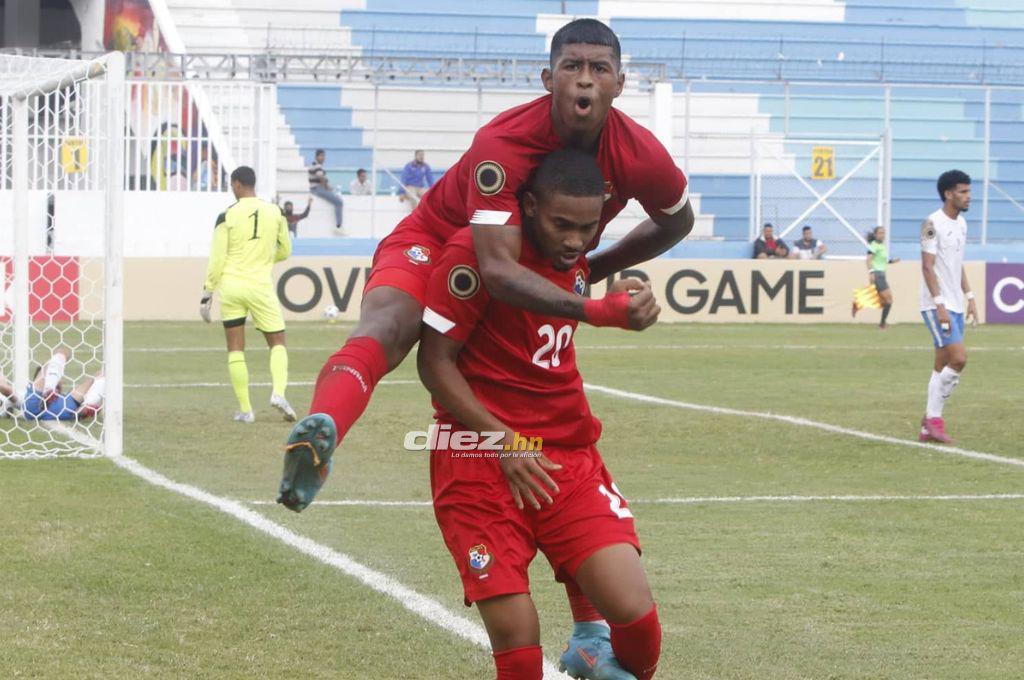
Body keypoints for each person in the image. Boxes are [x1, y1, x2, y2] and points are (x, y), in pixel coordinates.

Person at [279, 18, 690, 677]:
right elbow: (495, 269)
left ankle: (590, 632)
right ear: (547, 76)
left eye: (598, 67)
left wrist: (594, 266)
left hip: (532, 314)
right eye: (571, 65)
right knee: (390, 324)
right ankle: (324, 426)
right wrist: (594, 306)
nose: (584, 78)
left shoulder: (638, 154)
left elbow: (679, 219)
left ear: (620, 80)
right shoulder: (504, 143)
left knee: (553, 429)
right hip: (444, 238)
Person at [416, 150, 661, 680]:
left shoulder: (572, 256)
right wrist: (504, 442)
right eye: (562, 225)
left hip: (564, 459)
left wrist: (614, 294)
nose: (576, 240)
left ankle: (593, 651)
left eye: (588, 227)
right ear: (528, 207)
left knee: (638, 615)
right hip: (479, 461)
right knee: (518, 637)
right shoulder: (472, 257)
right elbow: (434, 364)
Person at [201, 166, 297, 424]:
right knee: (277, 341)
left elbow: (217, 258)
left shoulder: (227, 216)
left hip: (232, 287)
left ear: (237, 185)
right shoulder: (275, 212)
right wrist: (264, 258)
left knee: (235, 348)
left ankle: (246, 410)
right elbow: (285, 250)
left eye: (232, 185)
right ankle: (278, 392)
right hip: (260, 286)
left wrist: (207, 292)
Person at [919, 169, 977, 443]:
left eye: (968, 191)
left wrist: (970, 295)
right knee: (959, 359)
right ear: (948, 193)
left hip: (954, 302)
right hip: (936, 305)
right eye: (963, 192)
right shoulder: (931, 223)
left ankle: (926, 427)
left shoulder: (962, 224)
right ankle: (934, 419)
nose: (968, 196)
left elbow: (956, 263)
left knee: (941, 364)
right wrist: (939, 305)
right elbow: (927, 267)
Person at [21, 349, 104, 421]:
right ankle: (87, 404)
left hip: (32, 408)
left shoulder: (26, 395)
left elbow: (10, 394)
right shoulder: (67, 400)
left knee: (57, 357)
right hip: (65, 410)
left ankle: (49, 388)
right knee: (103, 374)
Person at [855, 226, 900, 328]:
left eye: (883, 233)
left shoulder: (882, 246)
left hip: (882, 275)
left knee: (886, 300)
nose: (882, 235)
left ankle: (882, 323)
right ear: (875, 235)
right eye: (880, 233)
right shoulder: (874, 245)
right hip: (877, 275)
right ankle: (882, 324)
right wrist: (871, 273)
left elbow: (882, 261)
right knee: (888, 300)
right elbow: (868, 260)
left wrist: (892, 261)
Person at [308, 149, 344, 232]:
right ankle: (338, 226)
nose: (323, 158)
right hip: (317, 189)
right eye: (321, 156)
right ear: (317, 156)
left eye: (324, 156)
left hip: (318, 188)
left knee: (336, 197)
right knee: (339, 202)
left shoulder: (317, 166)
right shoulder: (317, 166)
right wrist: (327, 187)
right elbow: (321, 178)